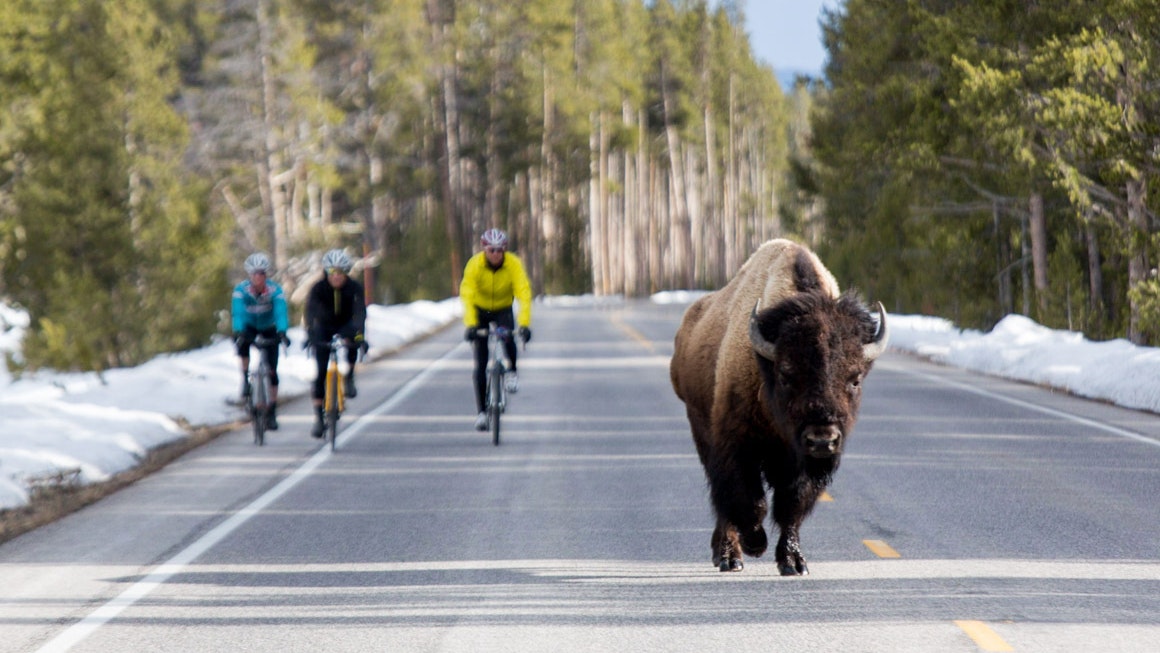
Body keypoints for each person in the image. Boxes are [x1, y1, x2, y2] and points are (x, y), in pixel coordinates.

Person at [460, 228, 532, 431]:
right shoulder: (474, 265)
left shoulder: (513, 264)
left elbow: (524, 293)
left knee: (508, 335)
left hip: (502, 308)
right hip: (480, 310)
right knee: (480, 363)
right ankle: (482, 413)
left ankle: (512, 371)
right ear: (484, 250)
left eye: (500, 250)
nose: (496, 254)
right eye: (491, 250)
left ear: (505, 250)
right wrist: (471, 325)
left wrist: (525, 325)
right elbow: (467, 295)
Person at [305, 249, 368, 439]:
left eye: (341, 272)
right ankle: (318, 418)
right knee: (320, 372)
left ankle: (349, 376)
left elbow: (360, 313)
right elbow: (310, 312)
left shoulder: (354, 288)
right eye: (333, 272)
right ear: (326, 272)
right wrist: (310, 334)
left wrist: (360, 336)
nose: (337, 277)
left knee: (352, 340)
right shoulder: (318, 288)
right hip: (324, 326)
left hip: (346, 324)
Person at [231, 252, 290, 430]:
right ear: (249, 275)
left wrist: (282, 332)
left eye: (262, 273)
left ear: (266, 275)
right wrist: (239, 331)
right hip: (248, 325)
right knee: (241, 345)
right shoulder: (240, 291)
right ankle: (245, 378)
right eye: (254, 273)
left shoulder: (275, 290)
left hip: (269, 327)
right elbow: (238, 313)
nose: (258, 277)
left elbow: (280, 312)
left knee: (272, 370)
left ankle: (271, 410)